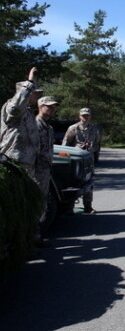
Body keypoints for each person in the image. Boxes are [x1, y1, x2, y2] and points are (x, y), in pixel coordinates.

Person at [0, 67, 42, 177]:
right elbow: (16, 106)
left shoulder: (29, 114)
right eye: (35, 93)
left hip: (28, 166)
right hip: (12, 164)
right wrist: (29, 82)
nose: (38, 96)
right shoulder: (12, 108)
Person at [64, 107, 101, 213]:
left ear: (90, 116)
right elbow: (65, 144)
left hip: (89, 159)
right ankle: (69, 207)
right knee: (73, 183)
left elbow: (97, 143)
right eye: (83, 115)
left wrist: (92, 150)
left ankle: (88, 206)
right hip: (76, 160)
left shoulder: (94, 129)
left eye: (87, 115)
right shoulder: (73, 128)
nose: (86, 117)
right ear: (79, 116)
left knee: (89, 182)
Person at [34, 96, 59, 244]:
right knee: (35, 203)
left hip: (45, 171)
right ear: (40, 106)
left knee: (42, 203)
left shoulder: (49, 128)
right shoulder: (34, 125)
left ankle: (37, 235)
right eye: (49, 106)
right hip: (35, 171)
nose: (52, 109)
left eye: (54, 107)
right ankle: (31, 237)